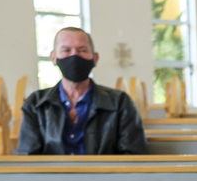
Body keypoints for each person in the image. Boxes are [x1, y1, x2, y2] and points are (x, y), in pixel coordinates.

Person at [16, 27, 146, 155]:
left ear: (95, 58)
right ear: (53, 57)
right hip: (52, 176)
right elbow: (28, 159)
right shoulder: (36, 104)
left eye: (82, 50)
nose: (74, 56)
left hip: (104, 176)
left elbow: (133, 156)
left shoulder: (120, 103)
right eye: (66, 50)